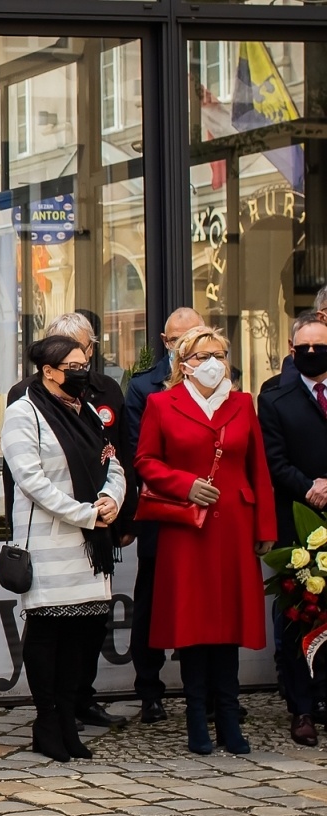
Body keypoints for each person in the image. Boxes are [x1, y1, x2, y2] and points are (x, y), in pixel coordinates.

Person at [136, 326, 276, 755]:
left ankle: (230, 718)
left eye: (218, 354)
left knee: (230, 626)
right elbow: (144, 460)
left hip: (234, 526)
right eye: (200, 356)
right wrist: (184, 484)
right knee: (193, 626)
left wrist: (265, 529)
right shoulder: (162, 403)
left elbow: (259, 468)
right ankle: (197, 718)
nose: (211, 362)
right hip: (188, 531)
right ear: (183, 363)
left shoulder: (242, 403)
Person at [3, 312, 132, 731]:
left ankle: (73, 708)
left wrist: (113, 499)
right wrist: (87, 514)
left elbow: (111, 458)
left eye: (84, 365)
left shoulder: (90, 407)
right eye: (72, 368)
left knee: (84, 634)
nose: (81, 373)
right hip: (49, 541)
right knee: (49, 635)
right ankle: (50, 721)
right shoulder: (24, 409)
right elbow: (31, 480)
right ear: (49, 370)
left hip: (90, 545)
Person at [123, 307, 204, 724]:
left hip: (208, 512)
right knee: (152, 602)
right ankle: (150, 690)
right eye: (175, 341)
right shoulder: (144, 387)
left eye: (193, 339)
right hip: (162, 510)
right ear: (165, 342)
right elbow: (140, 453)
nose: (185, 349)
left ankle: (205, 691)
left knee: (203, 602)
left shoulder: (220, 382)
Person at [257, 311, 327, 746]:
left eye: (321, 345)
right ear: (291, 349)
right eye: (305, 347)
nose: (313, 353)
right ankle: (302, 707)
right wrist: (313, 489)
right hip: (297, 520)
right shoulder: (275, 397)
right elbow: (274, 460)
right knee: (298, 615)